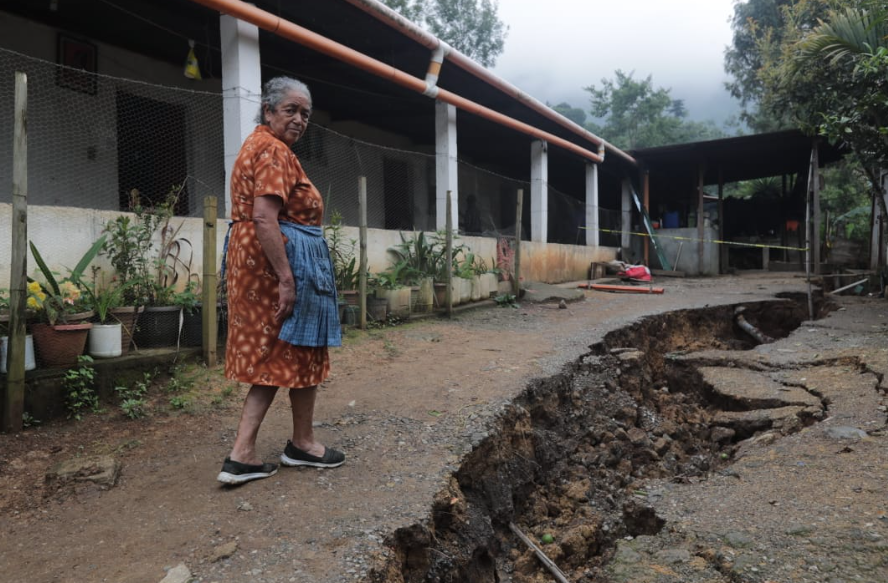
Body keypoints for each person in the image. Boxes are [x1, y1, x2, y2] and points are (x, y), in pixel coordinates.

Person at [217, 77, 344, 485]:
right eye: (290, 109)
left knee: (279, 353)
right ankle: (298, 445)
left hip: (256, 259)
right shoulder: (272, 150)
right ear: (268, 110)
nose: (299, 119)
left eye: (305, 113)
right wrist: (287, 278)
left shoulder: (256, 145)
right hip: (275, 264)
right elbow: (264, 216)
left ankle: (246, 453)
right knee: (294, 347)